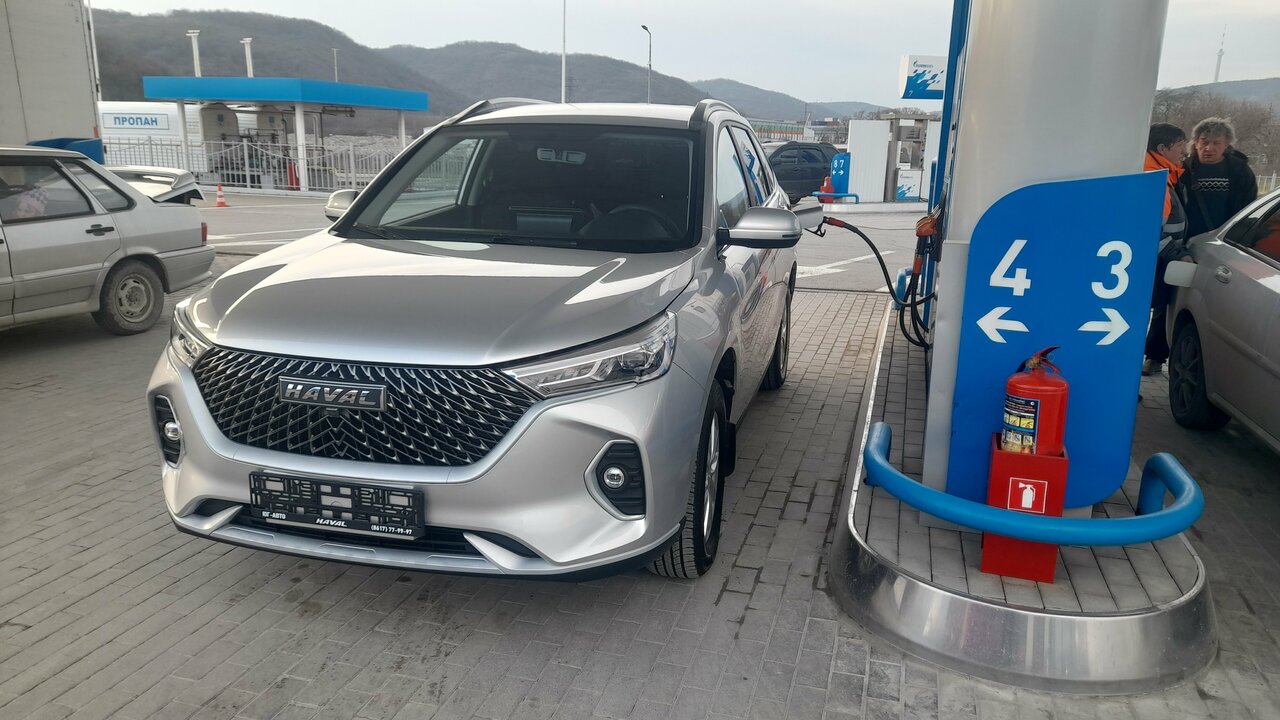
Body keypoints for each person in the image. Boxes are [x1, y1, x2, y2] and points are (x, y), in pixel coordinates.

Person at [1141, 123, 1188, 376]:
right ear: (1162, 148)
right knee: (1136, 322)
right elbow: (1151, 234)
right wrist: (1178, 254)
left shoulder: (1161, 174)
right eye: (1180, 146)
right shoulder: (1154, 180)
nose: (1184, 151)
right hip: (1151, 266)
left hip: (1152, 265)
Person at [1182, 117, 1258, 238]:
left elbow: (1248, 206)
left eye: (1216, 143)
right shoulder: (1183, 169)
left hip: (1226, 238)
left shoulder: (1240, 171)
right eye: (1204, 142)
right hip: (1189, 238)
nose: (1209, 148)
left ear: (1226, 145)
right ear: (1196, 143)